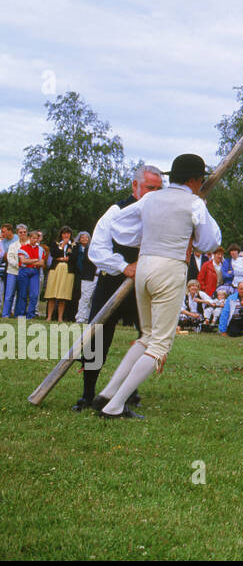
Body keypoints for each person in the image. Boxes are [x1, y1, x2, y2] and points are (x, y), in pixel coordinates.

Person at [93, 153, 222, 417]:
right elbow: (210, 242)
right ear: (196, 180)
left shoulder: (151, 197)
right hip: (170, 267)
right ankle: (115, 405)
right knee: (160, 344)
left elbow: (118, 225)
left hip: (145, 265)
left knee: (148, 336)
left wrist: (150, 235)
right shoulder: (195, 203)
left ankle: (107, 393)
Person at [75, 166, 164, 411]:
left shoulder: (163, 214)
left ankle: (127, 391)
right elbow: (97, 251)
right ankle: (87, 395)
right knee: (98, 338)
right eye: (149, 188)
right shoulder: (116, 212)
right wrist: (124, 266)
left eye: (159, 189)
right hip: (113, 281)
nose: (154, 193)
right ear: (135, 186)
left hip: (144, 285)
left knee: (146, 338)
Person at [44, 226, 76, 321]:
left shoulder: (74, 245)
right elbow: (54, 254)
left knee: (63, 296)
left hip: (67, 271)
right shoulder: (55, 243)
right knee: (52, 294)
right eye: (64, 233)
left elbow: (73, 257)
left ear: (70, 234)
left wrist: (63, 258)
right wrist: (62, 246)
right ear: (61, 234)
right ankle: (49, 317)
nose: (66, 235)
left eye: (68, 233)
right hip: (55, 269)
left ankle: (60, 318)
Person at [72, 230, 97, 323]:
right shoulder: (88, 249)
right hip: (88, 276)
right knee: (85, 297)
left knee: (93, 299)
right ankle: (80, 317)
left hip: (98, 276)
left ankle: (88, 317)